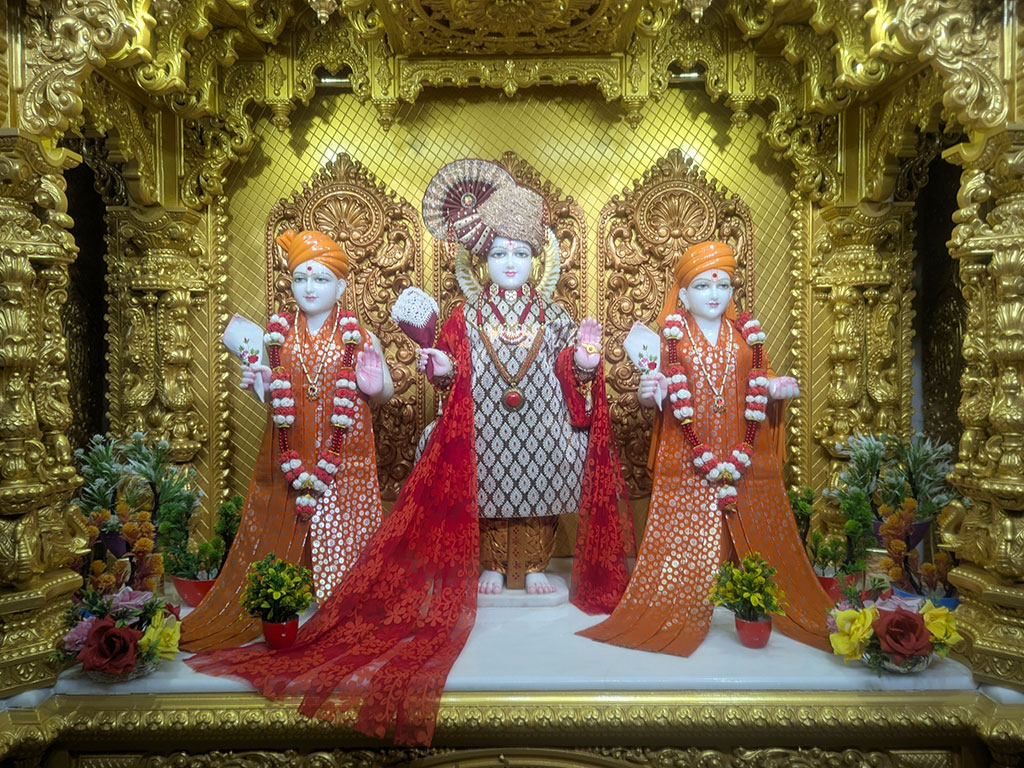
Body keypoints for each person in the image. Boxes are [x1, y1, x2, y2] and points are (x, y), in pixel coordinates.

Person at [186, 160, 633, 745]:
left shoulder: (553, 314)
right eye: (498, 254)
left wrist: (586, 362)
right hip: (485, 418)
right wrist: (442, 367)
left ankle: (537, 564)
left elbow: (572, 369)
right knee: (491, 486)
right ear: (481, 262)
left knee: (542, 485)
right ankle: (496, 566)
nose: (509, 264)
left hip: (542, 414)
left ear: (537, 261)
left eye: (520, 255)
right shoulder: (464, 315)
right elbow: (444, 373)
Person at [579, 240, 832, 656]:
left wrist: (774, 387)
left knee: (753, 514)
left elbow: (760, 379)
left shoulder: (746, 337)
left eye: (723, 286)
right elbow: (657, 392)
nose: (714, 296)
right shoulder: (669, 340)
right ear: (681, 293)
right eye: (702, 287)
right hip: (687, 449)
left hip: (742, 446)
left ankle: (743, 589)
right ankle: (687, 592)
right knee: (683, 526)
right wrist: (649, 391)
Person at [180, 229, 392, 651]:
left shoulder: (361, 336)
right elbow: (277, 402)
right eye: (300, 279)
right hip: (291, 449)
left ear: (341, 286)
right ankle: (293, 595)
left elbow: (381, 392)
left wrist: (375, 384)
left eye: (320, 279)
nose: (309, 288)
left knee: (343, 521)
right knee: (289, 514)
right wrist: (259, 381)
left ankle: (343, 598)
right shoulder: (276, 336)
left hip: (345, 453)